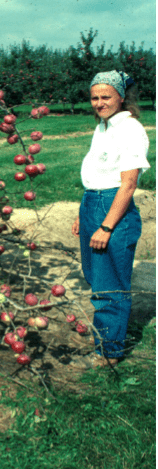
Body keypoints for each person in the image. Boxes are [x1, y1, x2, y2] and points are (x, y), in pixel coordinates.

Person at [70, 70, 150, 369]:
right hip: (94, 202)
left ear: (120, 96)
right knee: (96, 277)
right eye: (94, 97)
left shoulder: (129, 129)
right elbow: (96, 175)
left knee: (110, 285)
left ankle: (109, 353)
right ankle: (107, 338)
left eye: (106, 96)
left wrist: (106, 226)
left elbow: (128, 184)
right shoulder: (103, 127)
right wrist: (84, 214)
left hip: (113, 208)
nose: (99, 103)